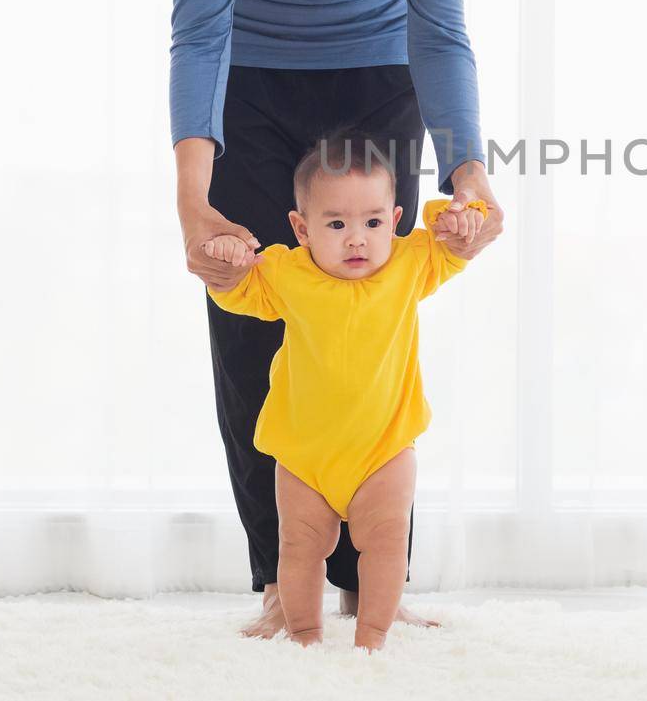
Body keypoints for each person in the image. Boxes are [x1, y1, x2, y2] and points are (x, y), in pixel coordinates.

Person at [169, 0, 505, 637]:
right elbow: (200, 23)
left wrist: (470, 174)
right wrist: (195, 195)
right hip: (254, 83)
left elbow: (437, 23)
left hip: (375, 79)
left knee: (362, 323)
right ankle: (285, 579)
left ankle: (373, 584)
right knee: (253, 328)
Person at [202, 133, 488, 650]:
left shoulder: (410, 263)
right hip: (305, 454)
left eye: (373, 223)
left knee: (385, 543)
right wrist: (225, 262)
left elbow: (459, 240)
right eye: (336, 224)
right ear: (301, 228)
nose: (357, 239)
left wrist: (457, 214)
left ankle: (373, 637)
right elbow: (237, 292)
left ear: (395, 220)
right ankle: (305, 635)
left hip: (383, 449)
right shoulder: (288, 271)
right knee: (299, 546)